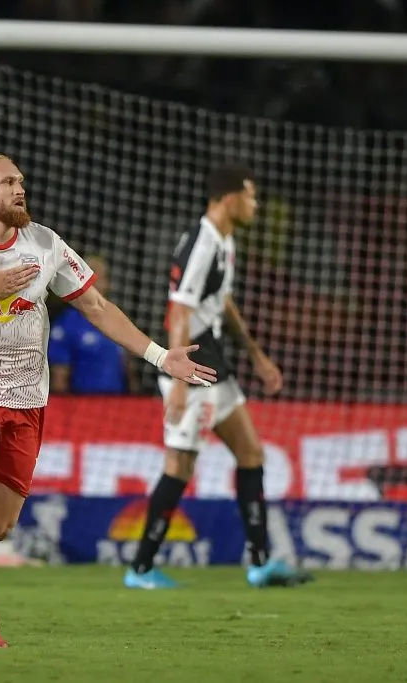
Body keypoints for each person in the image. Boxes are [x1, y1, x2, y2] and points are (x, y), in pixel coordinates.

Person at [0, 153, 216, 648]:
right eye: (8, 182)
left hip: (26, 394)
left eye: (21, 181)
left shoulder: (45, 244)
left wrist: (160, 357)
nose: (20, 188)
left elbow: (96, 305)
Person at [124, 162, 312, 590]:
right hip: (191, 364)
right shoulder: (202, 243)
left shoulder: (224, 241)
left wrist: (257, 356)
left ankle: (262, 564)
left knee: (252, 453)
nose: (255, 204)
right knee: (180, 465)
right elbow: (180, 310)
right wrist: (175, 383)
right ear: (229, 199)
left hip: (215, 361)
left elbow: (221, 304)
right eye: (250, 195)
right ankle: (140, 569)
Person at [48, 254, 138, 395]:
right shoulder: (67, 323)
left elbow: (128, 369)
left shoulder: (117, 318)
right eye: (95, 277)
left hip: (119, 406)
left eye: (103, 277)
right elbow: (59, 378)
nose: (101, 283)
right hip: (83, 407)